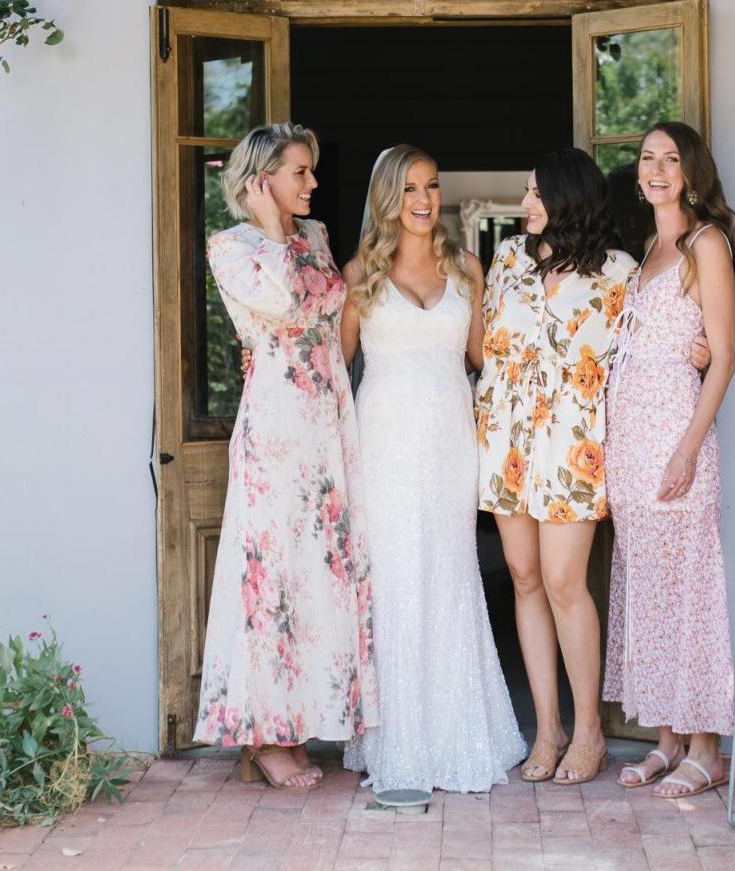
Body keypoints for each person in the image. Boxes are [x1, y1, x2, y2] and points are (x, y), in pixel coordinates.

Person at [194, 123, 377, 789]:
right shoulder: (231, 245)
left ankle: (300, 722)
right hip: (275, 427)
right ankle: (263, 732)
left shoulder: (319, 237)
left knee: (316, 572)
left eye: (310, 171)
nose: (313, 183)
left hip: (326, 423)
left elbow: (330, 313)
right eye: (299, 172)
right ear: (262, 178)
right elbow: (283, 302)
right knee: (271, 577)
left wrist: (292, 233)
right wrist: (272, 229)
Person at [341, 145, 526, 794]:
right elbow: (332, 373)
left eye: (432, 186)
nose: (424, 199)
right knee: (393, 582)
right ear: (388, 197)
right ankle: (397, 739)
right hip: (383, 447)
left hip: (451, 445)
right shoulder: (361, 271)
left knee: (448, 577)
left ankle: (459, 731)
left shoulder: (468, 268)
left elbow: (487, 359)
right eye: (411, 188)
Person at [474, 149, 636, 787]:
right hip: (508, 436)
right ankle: (548, 728)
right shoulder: (510, 259)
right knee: (524, 577)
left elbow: (647, 351)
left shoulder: (619, 272)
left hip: (572, 443)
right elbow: (484, 345)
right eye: (525, 191)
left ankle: (590, 729)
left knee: (567, 582)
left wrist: (701, 348)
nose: (526, 204)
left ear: (570, 196)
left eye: (537, 192)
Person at [604, 121, 735, 799]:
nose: (656, 169)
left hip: (674, 438)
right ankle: (665, 739)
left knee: (689, 591)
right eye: (646, 159)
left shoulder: (705, 243)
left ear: (690, 173)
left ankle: (706, 748)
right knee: (649, 591)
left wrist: (688, 447)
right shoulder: (649, 250)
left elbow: (723, 354)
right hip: (629, 443)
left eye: (669, 160)